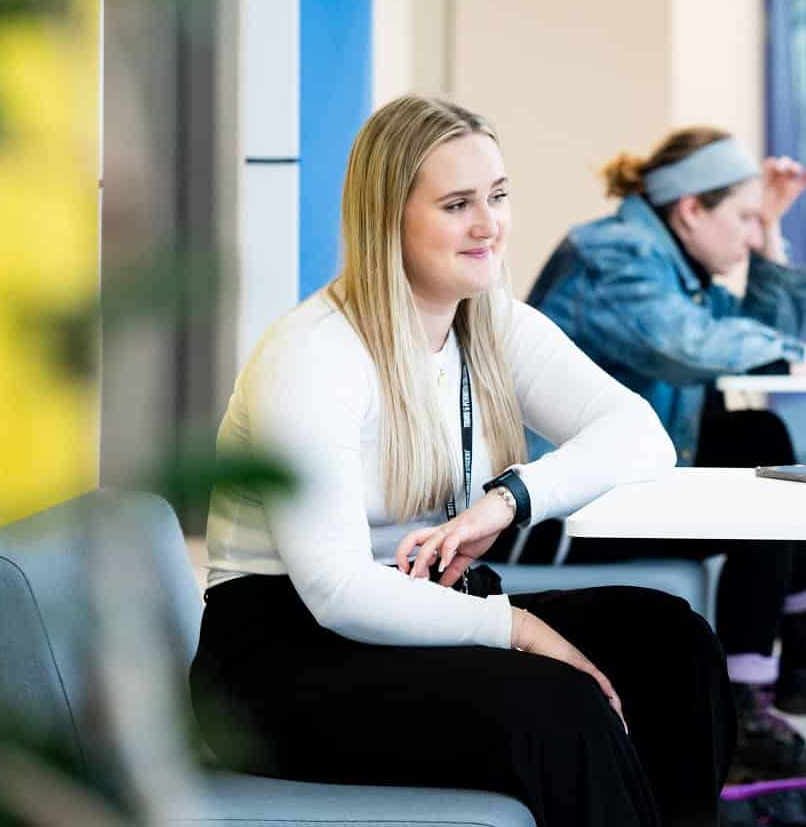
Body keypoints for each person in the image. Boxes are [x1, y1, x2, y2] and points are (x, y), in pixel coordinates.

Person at [191, 95, 735, 827]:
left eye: (498, 196)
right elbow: (337, 591)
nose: (490, 225)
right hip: (280, 660)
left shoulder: (488, 321)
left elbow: (640, 432)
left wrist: (509, 499)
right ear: (389, 217)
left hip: (421, 613)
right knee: (558, 707)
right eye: (457, 205)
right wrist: (516, 628)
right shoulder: (312, 355)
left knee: (672, 646)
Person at [521, 126, 806, 782]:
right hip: (555, 513)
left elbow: (762, 340)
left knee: (758, 443)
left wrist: (771, 226)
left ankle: (786, 660)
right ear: (691, 209)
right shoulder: (613, 256)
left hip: (621, 482)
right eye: (742, 218)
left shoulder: (668, 259)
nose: (746, 238)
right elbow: (696, 346)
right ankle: (767, 683)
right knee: (758, 475)